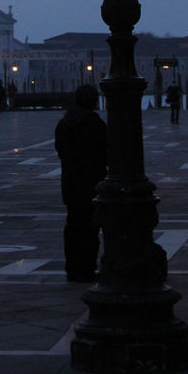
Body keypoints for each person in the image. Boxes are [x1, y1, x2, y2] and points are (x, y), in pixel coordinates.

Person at [54, 84, 107, 282]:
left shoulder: (63, 124)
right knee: (90, 229)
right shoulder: (96, 124)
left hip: (70, 182)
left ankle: (72, 268)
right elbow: (106, 153)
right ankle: (86, 268)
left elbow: (60, 151)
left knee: (72, 227)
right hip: (92, 182)